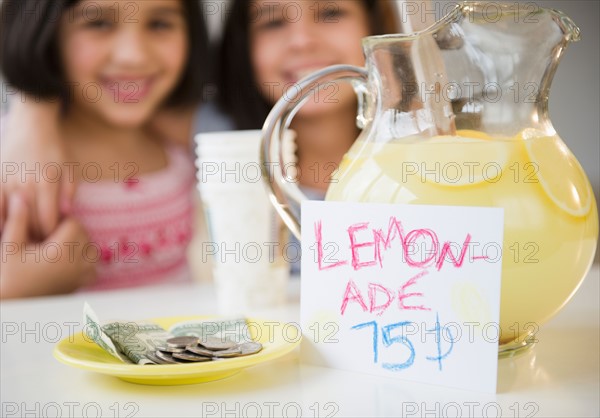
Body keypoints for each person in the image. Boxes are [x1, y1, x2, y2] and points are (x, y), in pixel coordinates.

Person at [0, 0, 207, 298]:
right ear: (45, 30)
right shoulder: (13, 156)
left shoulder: (185, 142)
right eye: (98, 23)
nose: (133, 56)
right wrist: (10, 291)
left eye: (160, 24)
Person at [217, 0, 399, 196]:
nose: (301, 41)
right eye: (274, 22)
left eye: (330, 13)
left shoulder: (429, 164)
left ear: (377, 26)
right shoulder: (220, 184)